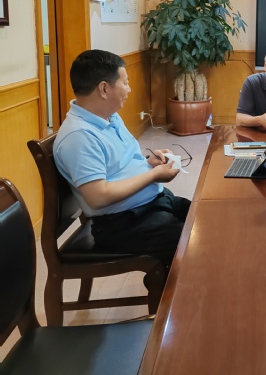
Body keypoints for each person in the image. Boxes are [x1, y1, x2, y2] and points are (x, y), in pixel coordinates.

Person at [54, 50, 189, 266]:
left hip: (151, 203)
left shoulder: (109, 117)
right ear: (104, 89)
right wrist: (154, 175)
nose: (129, 89)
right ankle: (169, 284)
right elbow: (98, 196)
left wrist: (148, 163)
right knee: (194, 244)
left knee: (204, 219)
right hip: (123, 222)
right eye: (125, 83)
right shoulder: (79, 136)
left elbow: (120, 164)